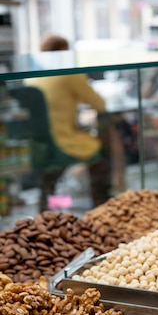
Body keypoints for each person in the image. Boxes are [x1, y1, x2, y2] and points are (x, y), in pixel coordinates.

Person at [25, 34, 111, 209]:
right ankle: (101, 203)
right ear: (65, 52)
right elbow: (100, 104)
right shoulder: (69, 74)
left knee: (54, 171)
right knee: (103, 150)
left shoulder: (32, 76)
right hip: (63, 140)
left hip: (39, 143)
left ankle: (45, 203)